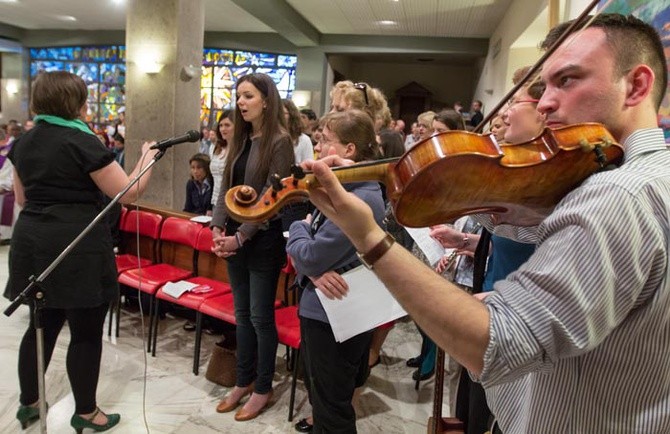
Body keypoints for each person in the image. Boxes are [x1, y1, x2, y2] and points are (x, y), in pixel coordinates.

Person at [301, 14, 670, 433]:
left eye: (567, 80)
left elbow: (498, 345)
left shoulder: (617, 195)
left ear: (636, 86)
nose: (545, 103)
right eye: (542, 86)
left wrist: (368, 237)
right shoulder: (653, 176)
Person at [6, 71, 158, 432]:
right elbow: (128, 191)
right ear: (75, 103)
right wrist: (149, 157)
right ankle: (87, 413)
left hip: (31, 241)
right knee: (86, 331)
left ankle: (29, 404)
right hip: (76, 244)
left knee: (40, 327)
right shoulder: (82, 141)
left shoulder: (23, 142)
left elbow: (23, 199)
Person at [287, 109, 385, 433]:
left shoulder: (361, 197)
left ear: (350, 150)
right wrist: (310, 270)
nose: (317, 146)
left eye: (325, 140)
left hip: (334, 313)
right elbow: (314, 264)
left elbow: (312, 254)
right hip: (328, 306)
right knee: (326, 399)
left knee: (331, 409)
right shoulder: (346, 188)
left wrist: (297, 228)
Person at [211, 73, 294, 422]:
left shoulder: (279, 141)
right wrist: (217, 226)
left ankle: (263, 386)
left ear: (265, 99)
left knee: (261, 317)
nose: (241, 102)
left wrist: (240, 236)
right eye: (239, 96)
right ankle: (242, 381)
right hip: (233, 234)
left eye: (248, 96)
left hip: (262, 239)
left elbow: (272, 198)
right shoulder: (241, 139)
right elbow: (226, 187)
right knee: (241, 315)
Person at [209, 110, 234, 214]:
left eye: (227, 125)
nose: (223, 129)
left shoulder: (240, 149)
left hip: (232, 201)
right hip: (216, 200)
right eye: (221, 125)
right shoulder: (217, 148)